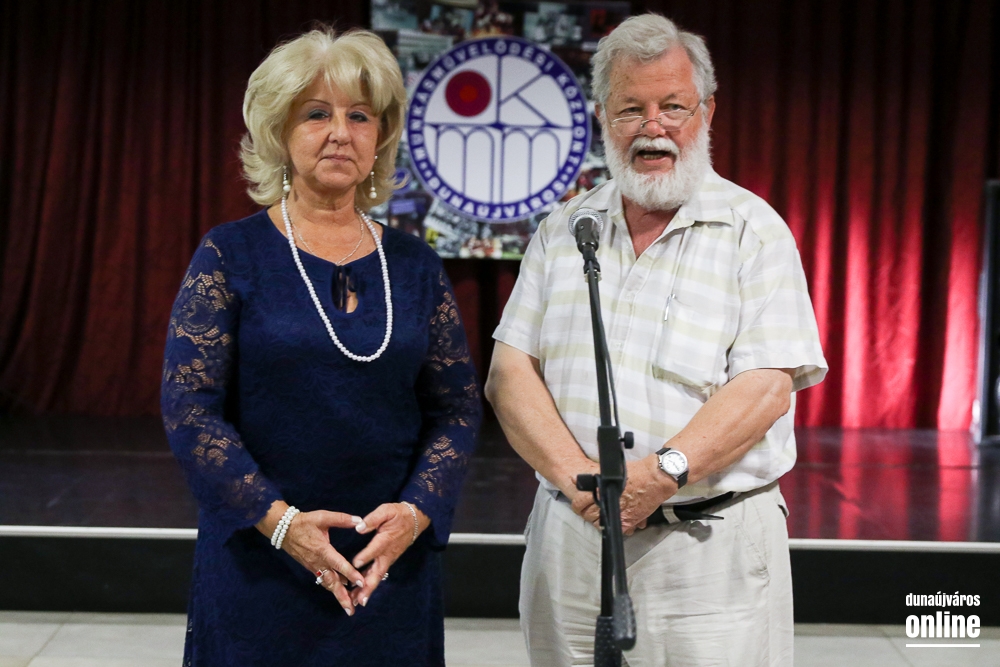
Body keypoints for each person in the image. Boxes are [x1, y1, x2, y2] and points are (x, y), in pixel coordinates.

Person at [486, 13, 827, 667]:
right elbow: (510, 373)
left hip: (706, 549)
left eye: (673, 106)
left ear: (707, 111)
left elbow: (766, 387)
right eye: (630, 109)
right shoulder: (566, 228)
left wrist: (663, 472)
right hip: (571, 540)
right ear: (602, 117)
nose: (653, 126)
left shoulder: (753, 231)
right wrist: (578, 482)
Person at [161, 27, 481, 666]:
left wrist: (416, 513)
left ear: (380, 135)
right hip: (261, 563)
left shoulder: (415, 264)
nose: (340, 132)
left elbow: (458, 408)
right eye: (316, 114)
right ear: (279, 131)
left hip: (387, 565)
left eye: (359, 116)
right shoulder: (230, 253)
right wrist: (281, 524)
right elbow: (190, 408)